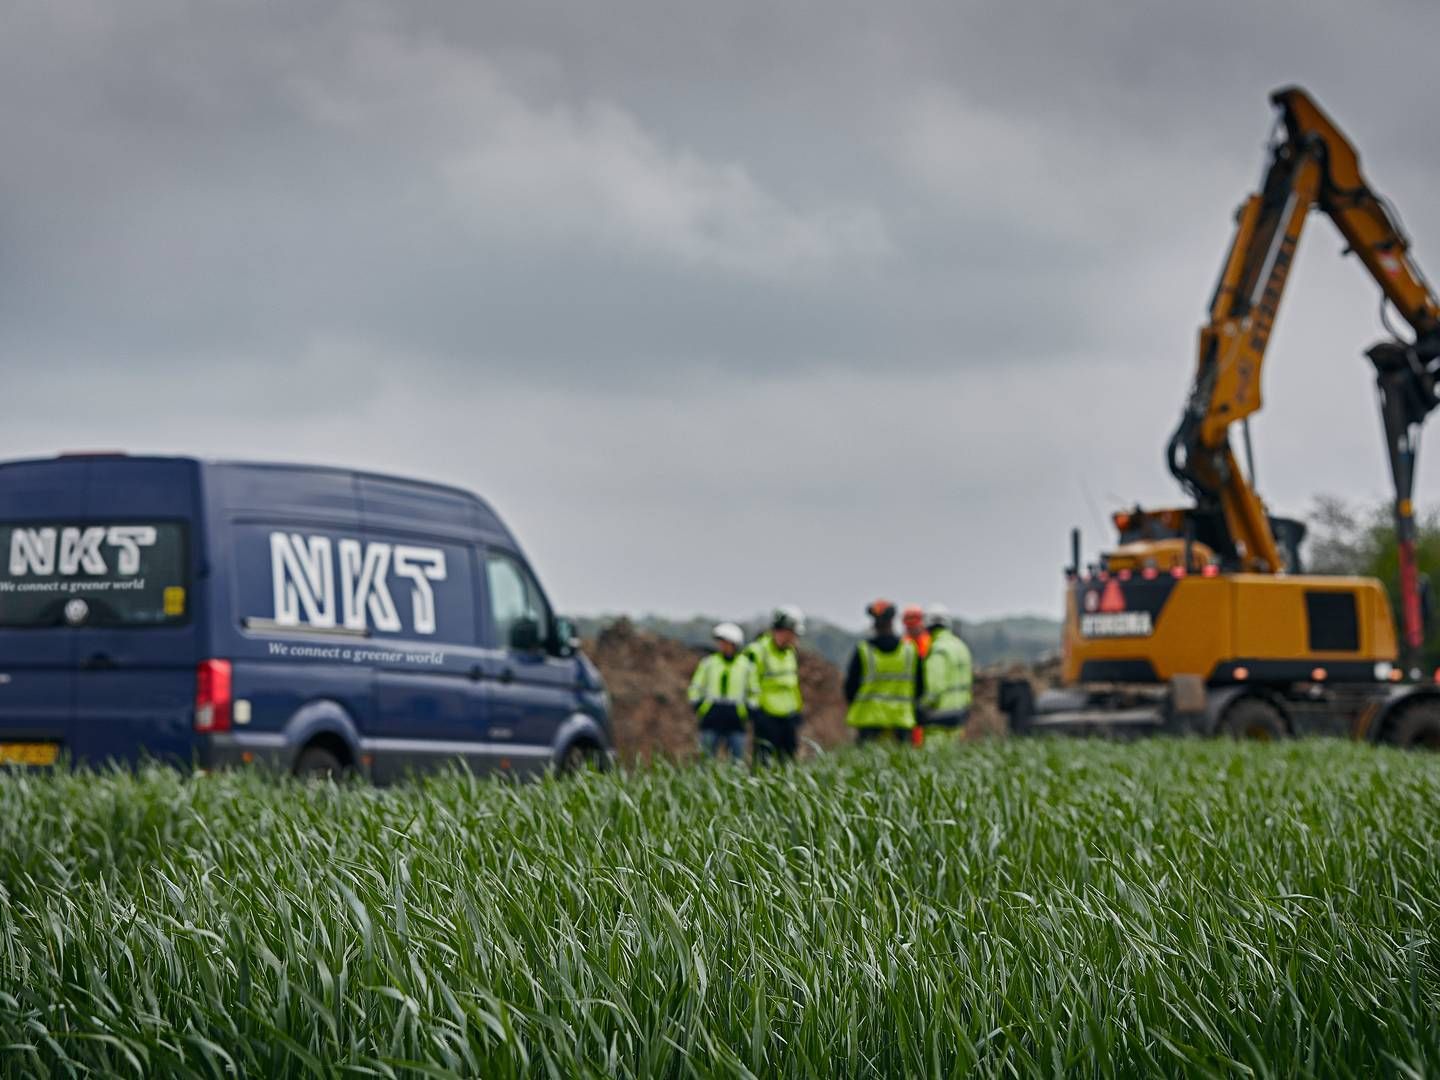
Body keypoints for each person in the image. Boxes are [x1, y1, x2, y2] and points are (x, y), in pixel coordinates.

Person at [845, 599, 923, 744]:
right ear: (892, 621)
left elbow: (850, 688)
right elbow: (921, 687)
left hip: (869, 721)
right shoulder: (909, 650)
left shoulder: (863, 650)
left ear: (873, 623)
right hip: (901, 721)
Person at [745, 606, 805, 765]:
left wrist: (798, 709)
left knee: (789, 762)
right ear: (784, 630)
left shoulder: (790, 653)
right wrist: (755, 710)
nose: (795, 638)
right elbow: (749, 682)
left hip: (788, 716)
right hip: (766, 716)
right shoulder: (757, 651)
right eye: (793, 633)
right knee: (763, 762)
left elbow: (792, 685)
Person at [688, 622, 754, 762]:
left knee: (737, 760)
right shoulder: (709, 663)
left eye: (727, 643)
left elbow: (754, 690)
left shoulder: (745, 665)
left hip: (735, 717)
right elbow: (695, 687)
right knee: (706, 759)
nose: (723, 646)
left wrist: (749, 710)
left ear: (735, 644)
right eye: (721, 642)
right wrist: (698, 705)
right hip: (712, 716)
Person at [919, 604, 973, 742]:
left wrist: (920, 707)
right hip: (960, 714)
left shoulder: (938, 650)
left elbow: (934, 688)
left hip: (938, 718)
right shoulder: (961, 646)